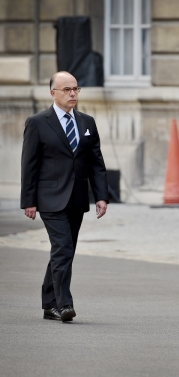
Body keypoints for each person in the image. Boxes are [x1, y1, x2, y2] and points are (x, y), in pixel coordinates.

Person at [20, 71, 109, 322]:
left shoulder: (87, 122)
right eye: (67, 90)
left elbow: (96, 163)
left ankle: (49, 303)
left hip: (77, 197)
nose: (73, 94)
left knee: (64, 250)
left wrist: (101, 196)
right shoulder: (37, 122)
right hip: (49, 198)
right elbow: (30, 164)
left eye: (76, 89)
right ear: (53, 93)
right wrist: (29, 200)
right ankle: (64, 304)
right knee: (63, 248)